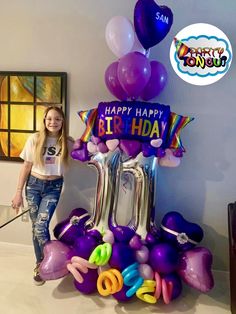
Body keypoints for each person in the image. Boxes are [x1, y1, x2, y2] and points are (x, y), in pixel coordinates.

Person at [11, 106, 73, 286]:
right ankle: (40, 264)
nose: (53, 122)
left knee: (40, 226)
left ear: (62, 122)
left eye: (57, 119)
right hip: (33, 186)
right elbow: (26, 166)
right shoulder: (35, 139)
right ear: (44, 121)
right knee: (35, 228)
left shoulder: (67, 142)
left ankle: (50, 261)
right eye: (49, 119)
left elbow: (87, 152)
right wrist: (17, 193)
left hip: (53, 187)